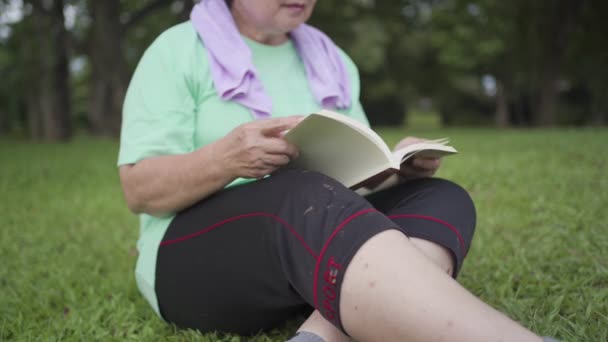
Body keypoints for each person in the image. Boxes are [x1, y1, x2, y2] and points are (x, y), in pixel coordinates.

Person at [117, 0, 557, 341]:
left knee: (442, 197)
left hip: (307, 242)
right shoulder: (177, 50)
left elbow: (351, 181)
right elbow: (139, 189)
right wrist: (225, 159)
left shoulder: (332, 60)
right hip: (190, 263)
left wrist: (396, 170)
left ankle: (320, 333)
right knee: (300, 193)